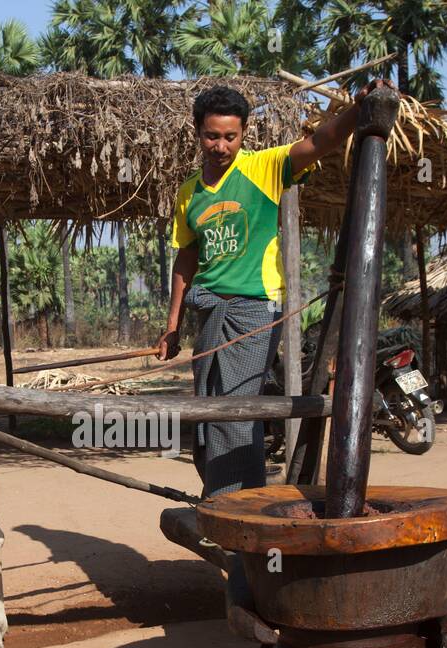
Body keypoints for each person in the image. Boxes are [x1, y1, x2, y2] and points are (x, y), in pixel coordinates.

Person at [157, 80, 392, 606]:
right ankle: (226, 507)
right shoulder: (189, 193)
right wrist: (172, 325)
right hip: (206, 312)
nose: (221, 146)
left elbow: (320, 141)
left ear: (244, 136)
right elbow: (186, 259)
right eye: (213, 136)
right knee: (203, 417)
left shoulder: (263, 168)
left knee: (234, 417)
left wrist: (359, 111)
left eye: (231, 137)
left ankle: (241, 529)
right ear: (198, 134)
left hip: (251, 312)